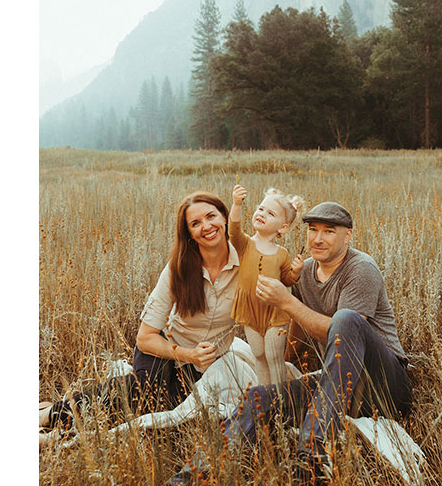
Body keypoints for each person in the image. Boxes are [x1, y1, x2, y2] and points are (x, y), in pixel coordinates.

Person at [169, 202, 413, 485]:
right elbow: (295, 322)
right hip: (338, 385)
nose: (318, 239)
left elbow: (340, 332)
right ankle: (192, 476)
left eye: (329, 232)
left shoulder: (361, 269)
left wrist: (287, 301)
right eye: (312, 230)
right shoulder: (306, 270)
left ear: (347, 236)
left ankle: (313, 457)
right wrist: (287, 364)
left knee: (345, 319)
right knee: (259, 397)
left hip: (384, 384)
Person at [40, 191, 241, 433]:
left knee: (169, 411)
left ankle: (62, 411)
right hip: (165, 348)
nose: (206, 226)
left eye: (211, 216)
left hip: (206, 365)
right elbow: (146, 338)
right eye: (195, 223)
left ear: (225, 216)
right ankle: (52, 414)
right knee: (147, 390)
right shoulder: (178, 268)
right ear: (188, 234)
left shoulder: (246, 263)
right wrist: (189, 355)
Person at [227, 184, 305, 386]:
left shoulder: (282, 254)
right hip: (250, 308)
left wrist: (295, 273)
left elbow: (286, 279)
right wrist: (237, 204)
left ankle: (280, 399)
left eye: (270, 213)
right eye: (261, 209)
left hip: (274, 312)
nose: (261, 213)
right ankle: (264, 396)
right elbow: (233, 230)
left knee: (273, 356)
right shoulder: (245, 244)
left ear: (282, 228)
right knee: (259, 355)